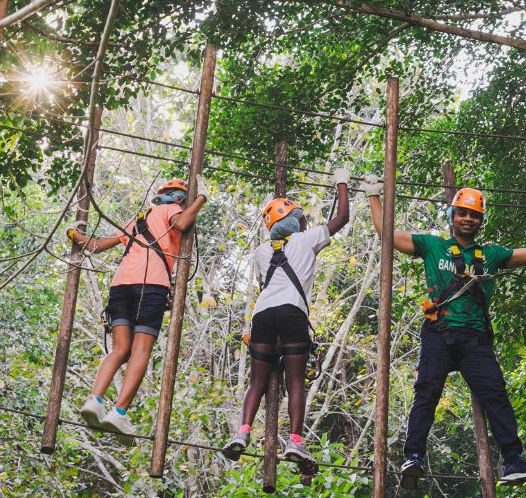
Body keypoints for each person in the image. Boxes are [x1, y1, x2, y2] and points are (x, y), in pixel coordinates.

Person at [361, 175, 526, 487]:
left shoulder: (490, 255)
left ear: (480, 221)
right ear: (452, 216)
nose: (468, 219)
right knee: (427, 392)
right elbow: (386, 233)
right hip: (439, 332)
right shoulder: (432, 245)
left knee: (496, 394)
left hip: (474, 339)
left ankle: (513, 460)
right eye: (462, 213)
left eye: (474, 215)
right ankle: (414, 456)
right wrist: (374, 196)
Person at [221, 168, 351, 471]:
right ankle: (295, 440)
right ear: (297, 222)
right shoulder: (307, 240)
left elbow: (263, 285)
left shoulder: (262, 251)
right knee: (294, 381)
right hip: (293, 313)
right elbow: (342, 217)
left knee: (257, 381)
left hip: (263, 315)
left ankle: (242, 432)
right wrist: (341, 182)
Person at [71, 177, 208, 440]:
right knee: (140, 349)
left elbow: (95, 246)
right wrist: (201, 198)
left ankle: (95, 400)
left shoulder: (138, 219)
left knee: (120, 349)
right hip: (151, 285)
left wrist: (74, 233)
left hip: (121, 286)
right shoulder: (172, 210)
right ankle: (119, 413)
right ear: (180, 199)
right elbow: (182, 223)